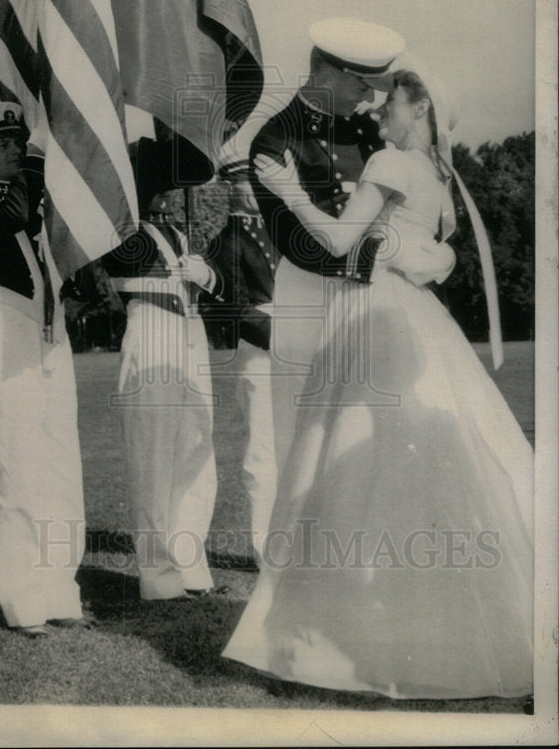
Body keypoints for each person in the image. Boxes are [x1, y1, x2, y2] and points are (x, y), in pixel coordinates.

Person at [223, 69, 533, 699]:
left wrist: (286, 191)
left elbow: (340, 239)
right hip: (412, 320)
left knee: (346, 456)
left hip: (372, 315)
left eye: (390, 100)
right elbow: (433, 255)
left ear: (420, 109)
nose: (378, 110)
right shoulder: (442, 177)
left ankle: (340, 633)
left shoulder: (393, 160)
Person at [249, 18, 406, 478]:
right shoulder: (277, 137)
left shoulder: (367, 133)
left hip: (366, 289)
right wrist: (370, 256)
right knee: (301, 425)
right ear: (327, 72)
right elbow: (297, 243)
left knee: (364, 424)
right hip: (309, 291)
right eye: (362, 83)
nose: (370, 97)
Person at [0, 103, 87, 638]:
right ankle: (23, 598)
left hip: (47, 335)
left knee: (59, 463)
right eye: (1, 143)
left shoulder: (27, 200)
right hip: (6, 330)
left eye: (17, 140)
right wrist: (36, 162)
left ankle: (59, 589)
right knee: (16, 466)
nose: (13, 148)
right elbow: (12, 216)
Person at [103, 128, 223, 600]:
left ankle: (190, 561)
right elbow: (127, 261)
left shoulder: (176, 228)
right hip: (151, 329)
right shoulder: (118, 228)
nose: (166, 190)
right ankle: (157, 571)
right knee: (153, 455)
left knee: (196, 446)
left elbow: (216, 282)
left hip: (189, 332)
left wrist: (205, 272)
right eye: (155, 178)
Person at [202, 158, 280, 560]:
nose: (255, 190)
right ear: (230, 186)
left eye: (258, 182)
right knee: (262, 449)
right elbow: (236, 311)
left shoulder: (278, 231)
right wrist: (287, 336)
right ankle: (265, 546)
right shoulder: (225, 242)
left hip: (293, 351)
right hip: (261, 354)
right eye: (247, 182)